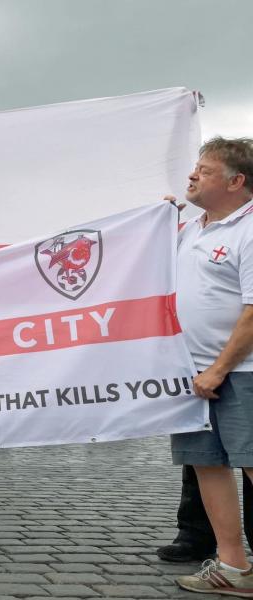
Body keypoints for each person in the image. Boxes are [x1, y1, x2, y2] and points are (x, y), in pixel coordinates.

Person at [166, 137, 253, 595]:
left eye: (205, 170)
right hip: (192, 374)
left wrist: (219, 369)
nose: (192, 176)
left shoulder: (250, 229)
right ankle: (233, 567)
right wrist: (157, 223)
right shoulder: (191, 228)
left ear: (237, 182)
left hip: (242, 372)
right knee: (207, 466)